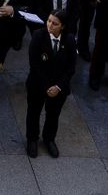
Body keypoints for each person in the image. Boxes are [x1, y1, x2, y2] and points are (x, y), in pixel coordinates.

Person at [25, 11, 76, 158]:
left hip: (59, 87)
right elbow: (35, 65)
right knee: (34, 112)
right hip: (38, 84)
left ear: (63, 26)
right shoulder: (38, 36)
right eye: (48, 21)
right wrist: (47, 86)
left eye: (55, 23)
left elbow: (71, 68)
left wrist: (58, 87)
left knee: (53, 115)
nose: (50, 25)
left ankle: (49, 139)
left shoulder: (70, 40)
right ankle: (32, 139)